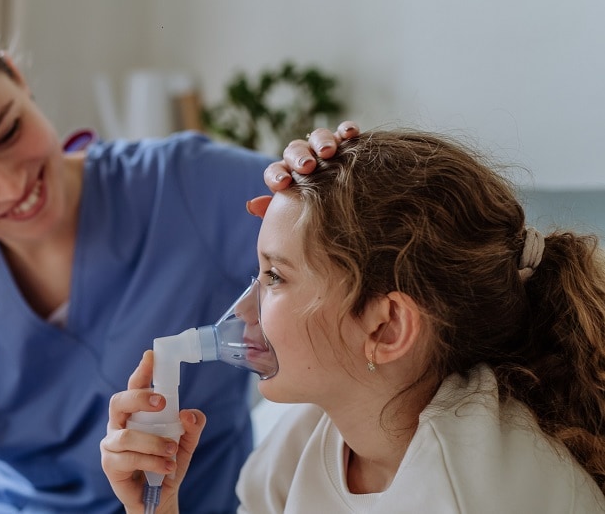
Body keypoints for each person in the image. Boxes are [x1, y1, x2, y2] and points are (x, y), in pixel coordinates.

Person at [0, 4, 357, 512]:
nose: (10, 186)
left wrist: (339, 181)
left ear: (16, 75)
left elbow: (371, 241)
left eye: (8, 131)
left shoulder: (185, 187)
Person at [101, 129, 605, 513]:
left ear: (386, 329)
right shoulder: (300, 446)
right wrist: (156, 506)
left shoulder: (476, 490)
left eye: (275, 277)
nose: (245, 308)